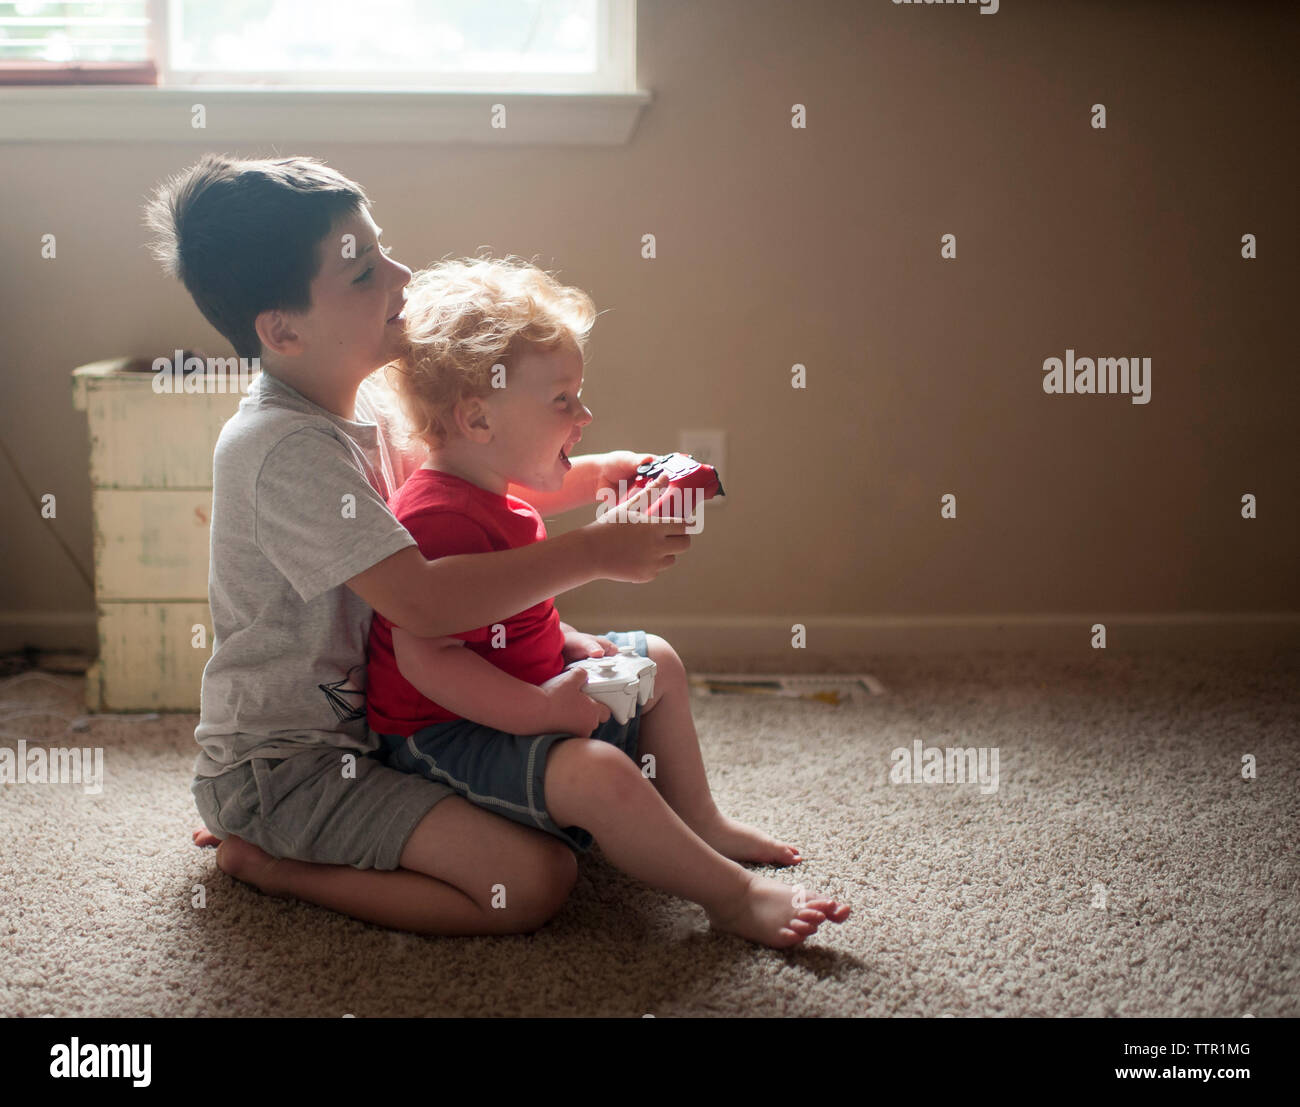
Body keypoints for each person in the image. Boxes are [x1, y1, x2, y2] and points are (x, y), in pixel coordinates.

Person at [144, 153, 691, 936]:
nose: (401, 274)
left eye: (383, 248)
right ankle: (270, 858)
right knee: (532, 881)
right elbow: (424, 600)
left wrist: (605, 475)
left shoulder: (370, 398)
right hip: (293, 766)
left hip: (391, 726)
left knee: (573, 788)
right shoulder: (280, 450)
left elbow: (475, 474)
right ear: (284, 330)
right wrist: (595, 552)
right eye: (363, 271)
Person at [365, 256, 851, 947]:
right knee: (599, 773)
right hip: (443, 733)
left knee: (657, 657)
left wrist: (560, 639)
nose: (584, 415)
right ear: (477, 417)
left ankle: (698, 819)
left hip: (522, 689)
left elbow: (505, 605)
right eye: (562, 400)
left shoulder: (492, 486)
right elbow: (427, 654)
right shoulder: (437, 515)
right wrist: (539, 710)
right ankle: (733, 898)